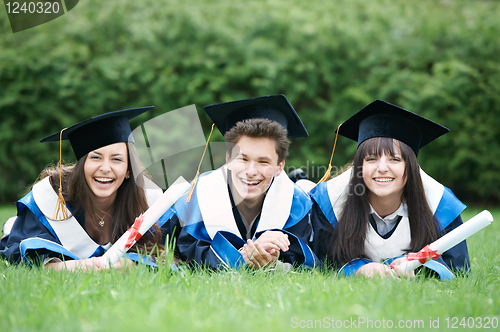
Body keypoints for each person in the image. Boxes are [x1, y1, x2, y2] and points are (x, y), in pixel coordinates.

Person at [308, 99, 469, 280]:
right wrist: (358, 270)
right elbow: (319, 262)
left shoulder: (439, 204)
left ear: (412, 167)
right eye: (371, 159)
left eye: (395, 159)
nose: (382, 168)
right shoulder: (331, 200)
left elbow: (458, 269)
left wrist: (419, 267)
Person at [159, 95, 317, 269]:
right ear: (228, 158)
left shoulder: (296, 204)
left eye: (263, 162)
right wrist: (241, 257)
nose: (250, 172)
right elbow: (175, 251)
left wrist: (274, 263)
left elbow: (307, 262)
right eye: (242, 159)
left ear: (279, 167)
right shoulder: (193, 198)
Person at [0, 107, 165, 271]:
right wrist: (79, 266)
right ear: (82, 164)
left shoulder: (147, 200)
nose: (105, 168)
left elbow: (167, 254)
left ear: (129, 169)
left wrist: (131, 264)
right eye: (95, 157)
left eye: (116, 159)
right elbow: (25, 253)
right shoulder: (50, 197)